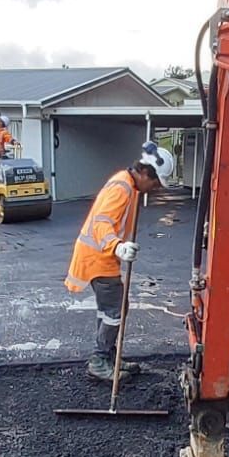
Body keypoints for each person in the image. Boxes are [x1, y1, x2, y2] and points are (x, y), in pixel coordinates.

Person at [66, 150, 168, 381]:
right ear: (143, 172)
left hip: (100, 257)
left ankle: (110, 357)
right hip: (99, 257)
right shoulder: (122, 188)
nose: (155, 187)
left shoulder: (128, 185)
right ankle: (99, 360)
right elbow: (101, 223)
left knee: (110, 310)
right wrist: (117, 246)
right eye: (154, 181)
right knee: (116, 310)